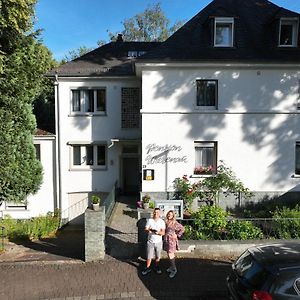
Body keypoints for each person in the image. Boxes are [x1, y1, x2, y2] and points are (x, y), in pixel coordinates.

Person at [142, 207, 166, 275]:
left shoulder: (162, 222)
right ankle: (148, 267)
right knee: (149, 256)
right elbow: (146, 229)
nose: (156, 213)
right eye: (155, 212)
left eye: (157, 212)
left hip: (158, 242)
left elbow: (163, 233)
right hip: (150, 241)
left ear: (159, 214)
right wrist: (150, 230)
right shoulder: (150, 220)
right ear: (153, 213)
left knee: (158, 256)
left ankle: (157, 267)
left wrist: (158, 232)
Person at [163, 210, 185, 278]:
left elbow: (182, 229)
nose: (169, 215)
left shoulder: (174, 223)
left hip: (172, 240)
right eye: (168, 214)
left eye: (171, 215)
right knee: (169, 254)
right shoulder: (166, 222)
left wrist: (177, 235)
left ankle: (174, 269)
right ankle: (171, 266)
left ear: (173, 216)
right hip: (166, 240)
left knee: (170, 254)